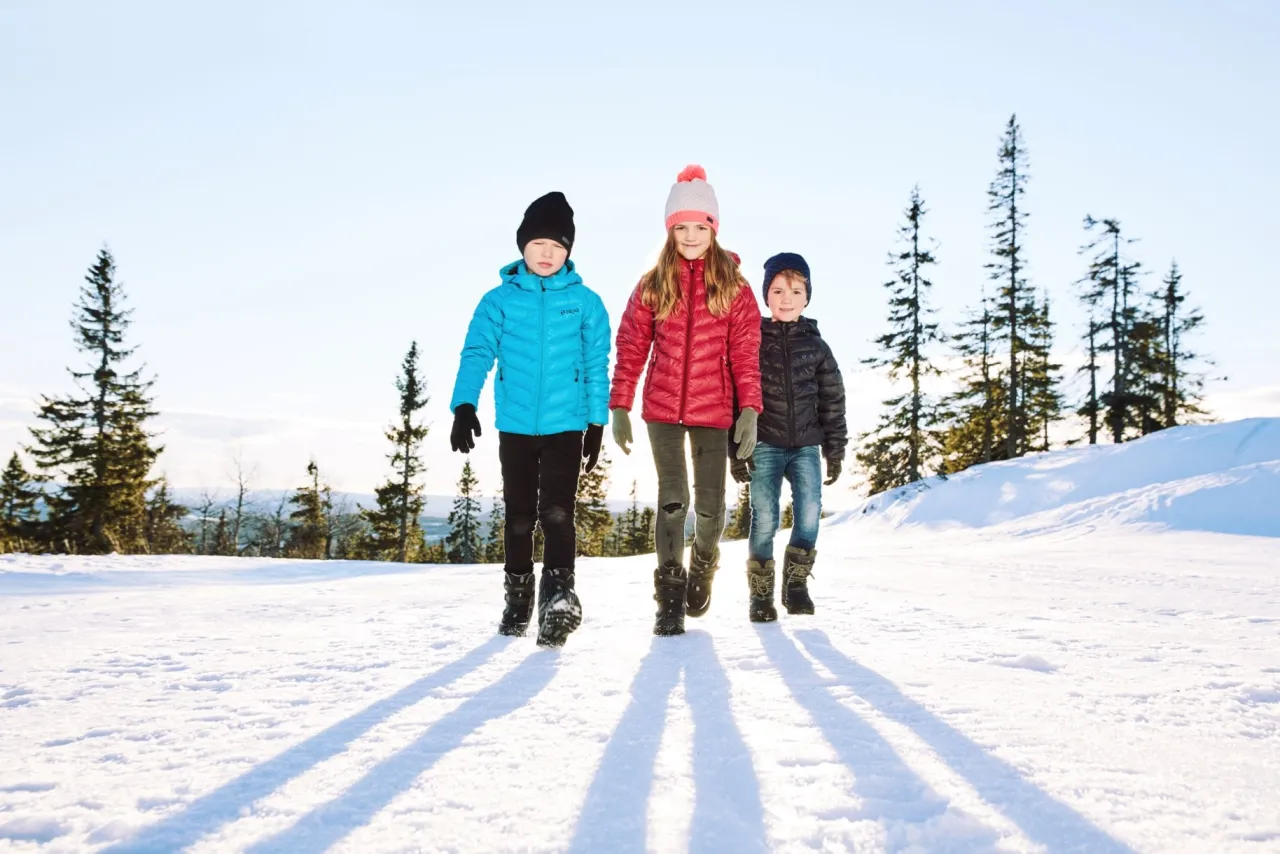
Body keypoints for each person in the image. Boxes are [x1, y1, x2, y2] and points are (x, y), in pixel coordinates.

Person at [448, 191, 611, 647]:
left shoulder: (586, 303)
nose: (546, 253)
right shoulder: (498, 301)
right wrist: (464, 405)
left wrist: (596, 423)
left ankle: (557, 601)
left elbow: (596, 364)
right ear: (522, 245)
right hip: (516, 426)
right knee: (519, 518)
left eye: (557, 246)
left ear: (568, 252)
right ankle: (518, 602)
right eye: (539, 243)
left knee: (557, 513)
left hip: (567, 425)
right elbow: (477, 352)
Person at [609, 165, 762, 636]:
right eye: (682, 227)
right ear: (669, 230)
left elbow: (746, 353)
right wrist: (620, 404)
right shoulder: (653, 284)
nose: (691, 236)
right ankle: (669, 596)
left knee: (711, 506)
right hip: (662, 410)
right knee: (673, 499)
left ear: (714, 229)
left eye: (700, 226)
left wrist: (750, 409)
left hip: (714, 411)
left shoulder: (735, 287)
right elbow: (631, 345)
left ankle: (704, 564)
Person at [730, 252, 847, 622]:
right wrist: (735, 451)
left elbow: (833, 399)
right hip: (764, 443)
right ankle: (760, 595)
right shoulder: (752, 341)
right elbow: (735, 396)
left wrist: (835, 449)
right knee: (764, 517)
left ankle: (795, 585)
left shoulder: (816, 346)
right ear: (766, 295)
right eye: (778, 290)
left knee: (809, 512)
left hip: (806, 445)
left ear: (807, 298)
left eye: (796, 292)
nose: (787, 298)